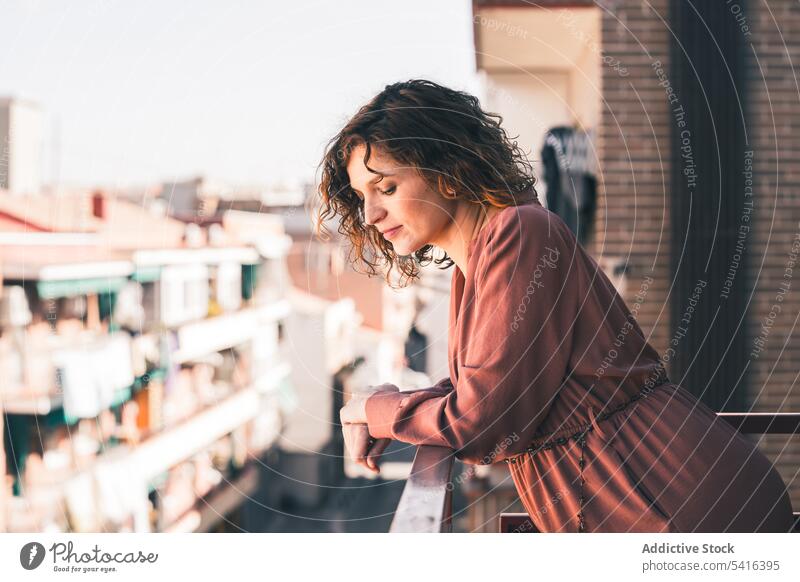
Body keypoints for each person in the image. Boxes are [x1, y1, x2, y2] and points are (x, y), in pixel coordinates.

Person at [319, 79, 794, 532]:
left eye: (386, 188)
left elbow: (479, 422)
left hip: (674, 507)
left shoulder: (520, 233)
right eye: (362, 197)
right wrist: (380, 407)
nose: (370, 215)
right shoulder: (479, 261)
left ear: (446, 171)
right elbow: (490, 387)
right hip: (650, 503)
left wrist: (375, 408)